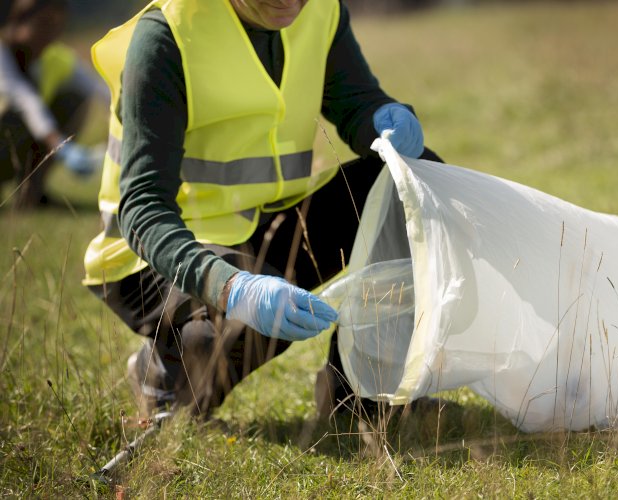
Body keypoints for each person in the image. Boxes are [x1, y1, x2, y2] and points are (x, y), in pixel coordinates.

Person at [83, 0, 441, 420]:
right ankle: (161, 375)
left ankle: (360, 396)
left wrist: (379, 117)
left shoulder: (321, 11)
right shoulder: (166, 37)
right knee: (228, 332)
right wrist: (231, 288)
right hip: (152, 256)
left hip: (262, 226)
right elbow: (143, 210)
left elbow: (355, 102)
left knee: (414, 185)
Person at [0, 0, 108, 208]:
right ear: (19, 22)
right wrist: (61, 146)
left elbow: (98, 89)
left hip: (22, 142)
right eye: (43, 24)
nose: (49, 35)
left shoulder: (52, 57)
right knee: (14, 116)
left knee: (73, 98)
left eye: (56, 27)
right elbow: (26, 101)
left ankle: (31, 195)